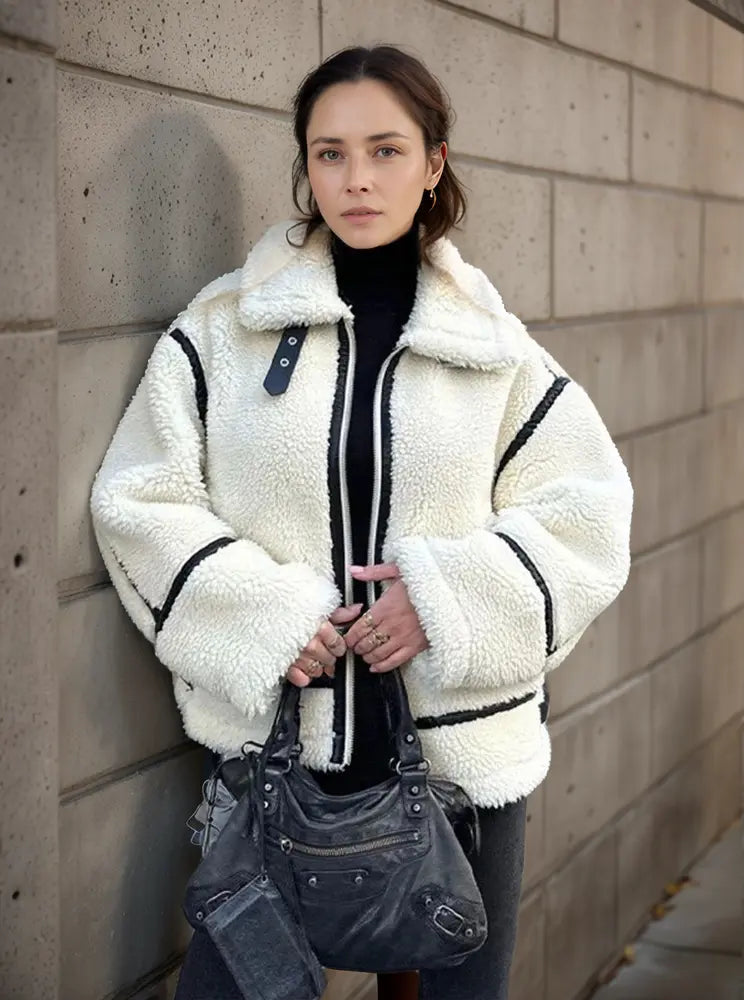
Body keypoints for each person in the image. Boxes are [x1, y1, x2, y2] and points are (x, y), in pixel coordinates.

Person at [90, 44, 633, 1000]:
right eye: (330, 153)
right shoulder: (227, 327)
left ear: (433, 163)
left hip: (460, 771)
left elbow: (587, 515)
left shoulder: (492, 348)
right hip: (273, 765)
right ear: (306, 165)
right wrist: (267, 617)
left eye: (386, 150)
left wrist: (444, 601)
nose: (357, 179)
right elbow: (139, 497)